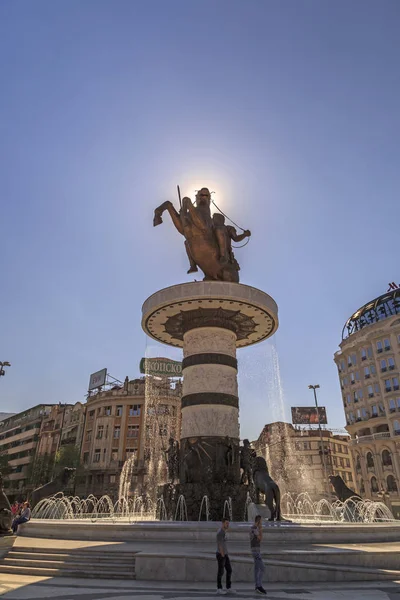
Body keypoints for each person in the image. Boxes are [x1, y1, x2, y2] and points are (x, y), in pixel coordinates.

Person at [216, 517, 234, 595]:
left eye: (228, 523)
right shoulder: (220, 532)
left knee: (229, 570)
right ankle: (219, 588)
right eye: (226, 523)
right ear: (223, 523)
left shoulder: (224, 532)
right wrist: (223, 554)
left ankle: (228, 587)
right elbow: (219, 544)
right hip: (221, 554)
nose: (228, 524)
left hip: (224, 554)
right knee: (221, 572)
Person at [250, 515, 266, 595]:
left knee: (256, 569)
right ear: (258, 521)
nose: (261, 523)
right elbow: (260, 538)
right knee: (262, 567)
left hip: (256, 550)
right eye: (261, 522)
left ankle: (257, 586)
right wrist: (261, 529)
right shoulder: (254, 529)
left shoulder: (253, 528)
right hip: (255, 551)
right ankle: (259, 586)